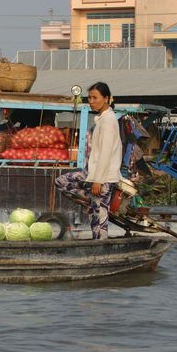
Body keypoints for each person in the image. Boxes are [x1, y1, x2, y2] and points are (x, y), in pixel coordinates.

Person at [55, 81, 122, 240]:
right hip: (93, 173)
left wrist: (98, 180)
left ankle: (100, 246)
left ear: (106, 99)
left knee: (100, 218)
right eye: (89, 98)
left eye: (95, 98)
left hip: (103, 177)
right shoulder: (102, 119)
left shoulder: (108, 120)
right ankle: (88, 200)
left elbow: (106, 152)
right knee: (62, 182)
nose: (91, 101)